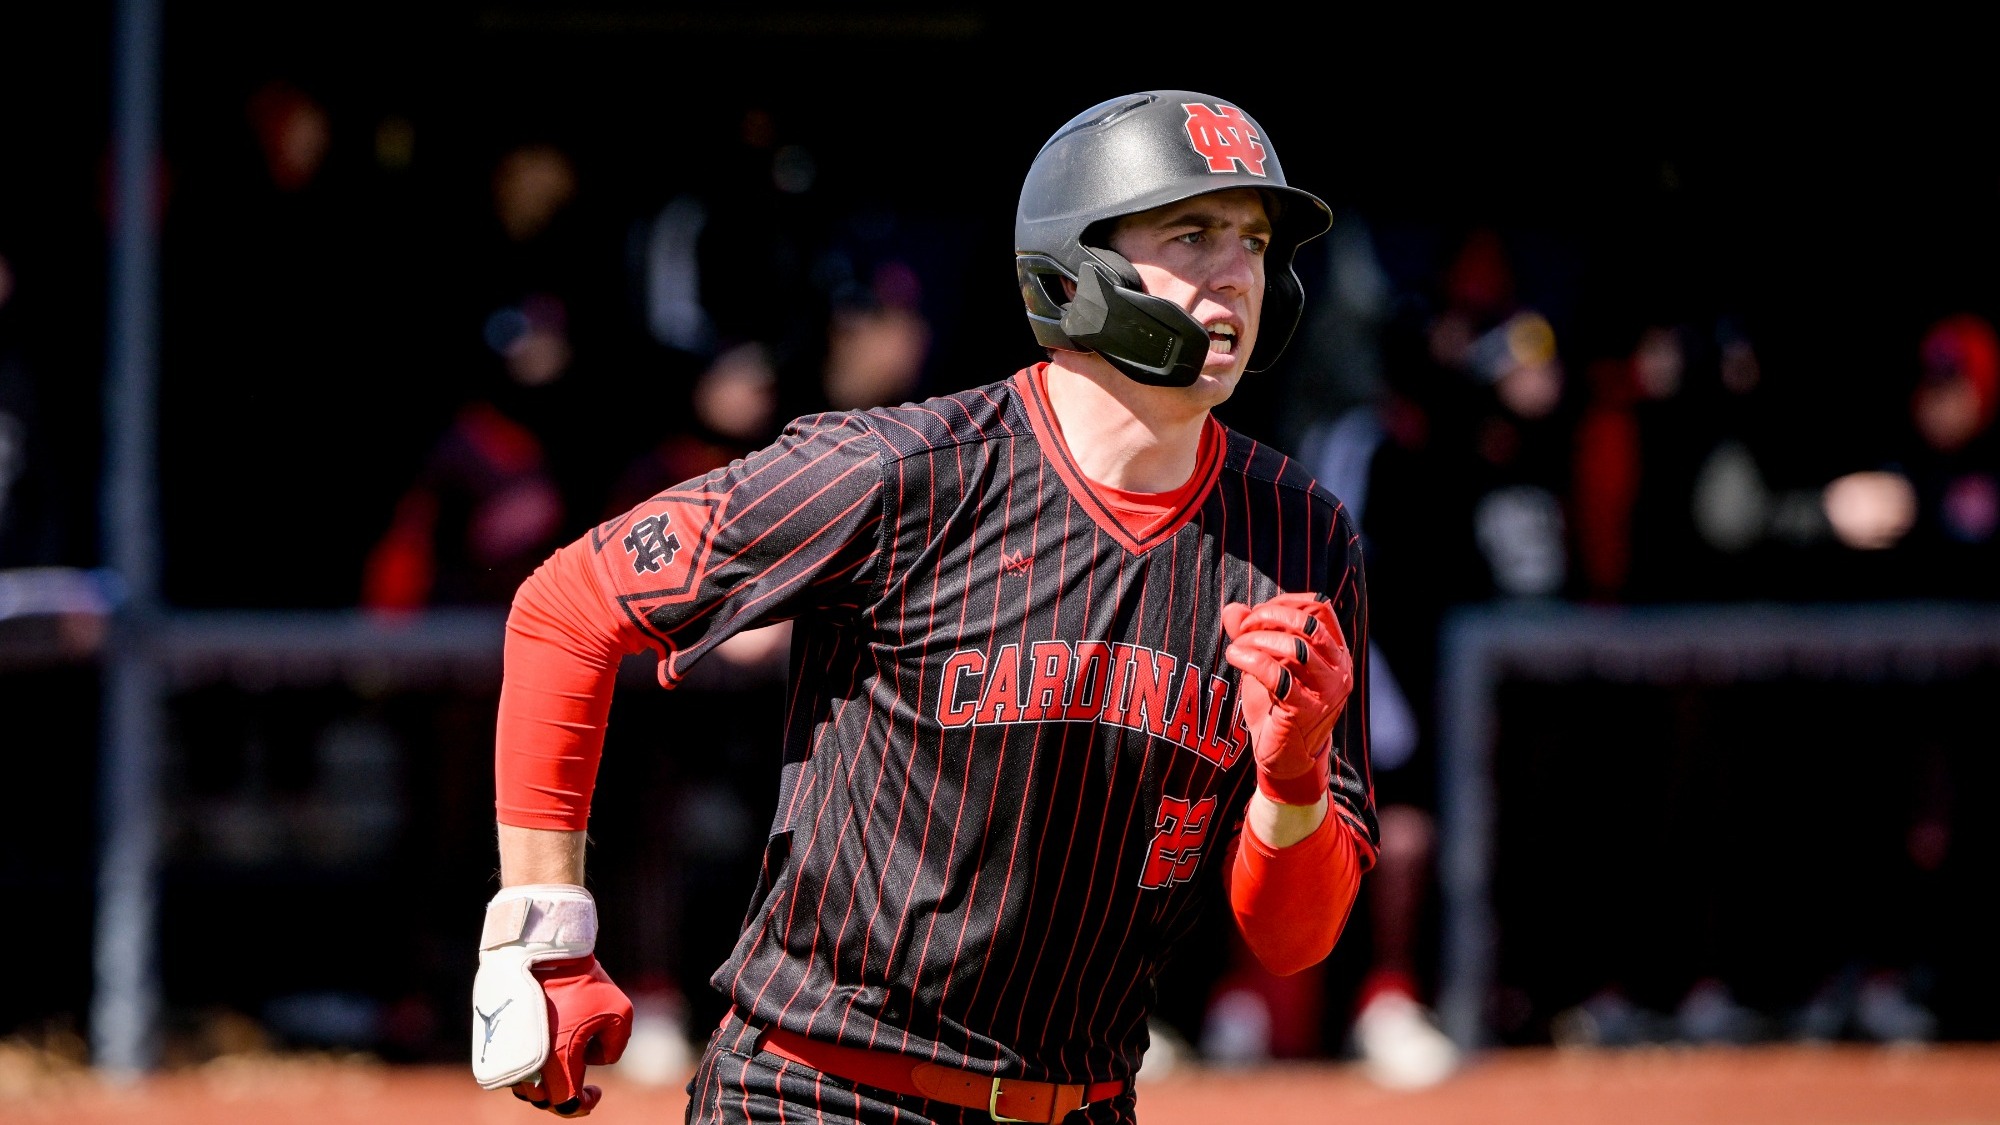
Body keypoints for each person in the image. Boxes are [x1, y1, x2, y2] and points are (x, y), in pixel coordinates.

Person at [469, 90, 1379, 1123]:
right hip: (818, 1093)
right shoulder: (903, 471)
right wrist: (542, 938)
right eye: (1192, 233)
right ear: (1081, 265)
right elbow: (566, 605)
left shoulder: (1301, 534)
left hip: (1077, 1101)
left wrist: (1294, 775)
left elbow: (1293, 942)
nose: (1235, 272)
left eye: (1253, 242)